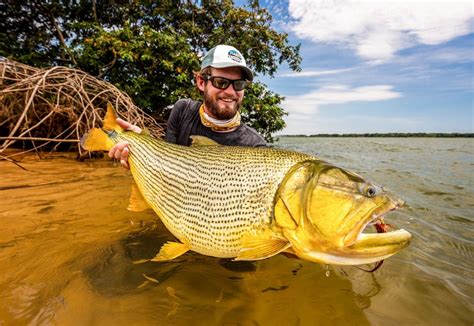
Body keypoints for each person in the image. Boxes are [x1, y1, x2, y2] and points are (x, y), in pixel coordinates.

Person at [109, 44, 266, 169]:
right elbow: (167, 161)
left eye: (239, 84)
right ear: (201, 82)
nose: (231, 92)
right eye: (221, 82)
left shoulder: (256, 147)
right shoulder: (183, 110)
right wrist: (141, 147)